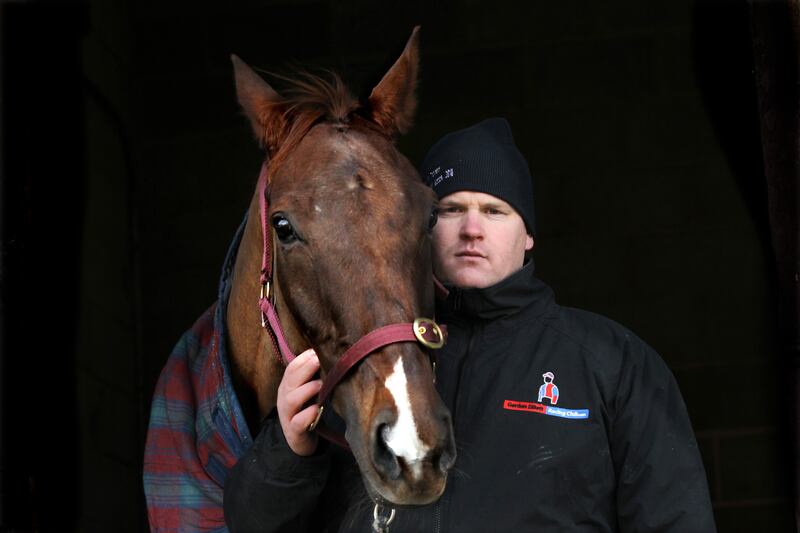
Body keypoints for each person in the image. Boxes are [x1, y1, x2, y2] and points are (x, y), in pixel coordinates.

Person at [223, 117, 717, 532]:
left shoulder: (611, 361)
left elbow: (675, 518)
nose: (472, 229)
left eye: (495, 211)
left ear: (529, 237)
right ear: (415, 228)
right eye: (451, 210)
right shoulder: (362, 358)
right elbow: (254, 524)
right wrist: (288, 450)